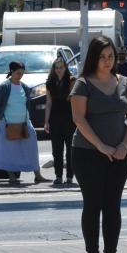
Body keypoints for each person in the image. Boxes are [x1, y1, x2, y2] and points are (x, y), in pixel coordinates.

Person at [70, 36, 127, 253]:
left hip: (119, 156)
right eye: (102, 57)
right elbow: (78, 119)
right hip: (88, 154)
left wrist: (124, 146)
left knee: (112, 205)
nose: (107, 61)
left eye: (111, 56)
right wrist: (101, 146)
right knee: (93, 204)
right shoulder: (83, 84)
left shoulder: (125, 83)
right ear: (94, 58)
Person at [0, 61, 48, 185]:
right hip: (8, 123)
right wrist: (2, 118)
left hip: (24, 123)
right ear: (11, 72)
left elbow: (27, 104)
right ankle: (11, 175)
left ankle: (37, 174)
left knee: (31, 146)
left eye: (22, 73)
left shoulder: (24, 87)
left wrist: (28, 119)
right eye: (18, 73)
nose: (20, 75)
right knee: (9, 150)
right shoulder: (4, 87)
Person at [45, 58, 76, 187]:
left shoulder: (71, 80)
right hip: (55, 118)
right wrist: (46, 121)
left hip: (69, 119)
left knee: (70, 150)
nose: (59, 70)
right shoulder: (50, 82)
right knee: (57, 150)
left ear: (65, 68)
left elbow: (73, 100)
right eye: (56, 67)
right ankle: (58, 176)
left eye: (61, 67)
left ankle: (69, 177)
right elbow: (48, 102)